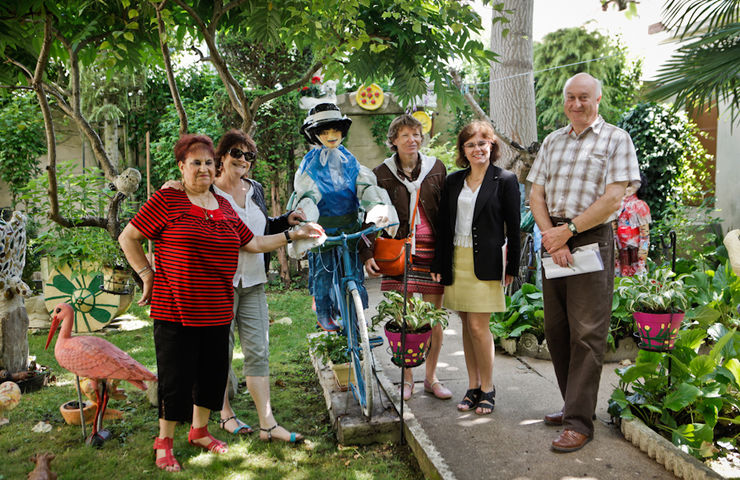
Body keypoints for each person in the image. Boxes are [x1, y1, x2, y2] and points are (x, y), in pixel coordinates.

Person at [118, 134, 321, 472]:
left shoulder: (223, 206)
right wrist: (146, 273)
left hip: (217, 307)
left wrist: (292, 235)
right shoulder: (168, 199)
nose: (203, 168)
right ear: (182, 166)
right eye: (195, 162)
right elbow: (129, 236)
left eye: (208, 162)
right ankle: (164, 442)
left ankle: (199, 432)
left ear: (216, 167)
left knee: (211, 375)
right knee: (176, 378)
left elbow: (253, 242)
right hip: (176, 308)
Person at [162, 129, 306, 443]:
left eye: (249, 155)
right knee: (219, 354)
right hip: (218, 286)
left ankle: (267, 423)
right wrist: (174, 186)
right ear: (221, 157)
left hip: (253, 281)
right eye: (236, 154)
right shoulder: (207, 189)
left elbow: (258, 227)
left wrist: (286, 221)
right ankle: (225, 414)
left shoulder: (253, 189)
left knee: (259, 350)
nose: (243, 160)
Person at [527, 72, 640, 453]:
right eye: (570, 97)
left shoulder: (616, 140)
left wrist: (569, 232)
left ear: (598, 99)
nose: (576, 104)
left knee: (587, 334)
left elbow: (613, 200)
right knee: (557, 330)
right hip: (553, 237)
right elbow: (536, 193)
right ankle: (572, 404)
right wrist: (552, 236)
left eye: (584, 98)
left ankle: (579, 423)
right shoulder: (553, 141)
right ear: (564, 101)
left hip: (590, 239)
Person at [431, 120, 520, 415]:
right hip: (458, 259)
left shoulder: (505, 180)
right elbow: (444, 226)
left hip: (487, 262)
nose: (477, 149)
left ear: (492, 145)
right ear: (463, 150)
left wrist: (514, 267)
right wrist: (440, 263)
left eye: (482, 143)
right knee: (467, 327)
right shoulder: (454, 181)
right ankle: (472, 385)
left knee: (479, 326)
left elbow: (515, 228)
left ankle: (488, 387)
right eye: (470, 144)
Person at [288, 103, 397, 331]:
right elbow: (308, 196)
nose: (330, 136)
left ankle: (356, 317)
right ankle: (324, 312)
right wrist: (306, 225)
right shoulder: (310, 165)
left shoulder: (350, 160)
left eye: (335, 130)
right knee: (323, 272)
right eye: (324, 132)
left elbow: (365, 186)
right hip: (323, 230)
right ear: (315, 135)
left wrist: (378, 210)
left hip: (350, 225)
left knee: (354, 274)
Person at [365, 114, 449, 401]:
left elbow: (447, 215)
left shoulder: (436, 168)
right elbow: (370, 214)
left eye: (416, 134)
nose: (412, 140)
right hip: (398, 253)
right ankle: (407, 378)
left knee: (432, 319)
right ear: (393, 141)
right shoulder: (381, 174)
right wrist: (367, 253)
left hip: (431, 253)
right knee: (403, 319)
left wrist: (446, 256)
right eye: (405, 135)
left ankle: (431, 377)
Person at [613, 172, 651, 277]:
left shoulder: (640, 206)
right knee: (621, 272)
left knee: (634, 273)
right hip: (620, 248)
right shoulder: (617, 206)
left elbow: (645, 234)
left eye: (630, 184)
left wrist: (642, 255)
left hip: (635, 247)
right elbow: (614, 228)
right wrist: (614, 247)